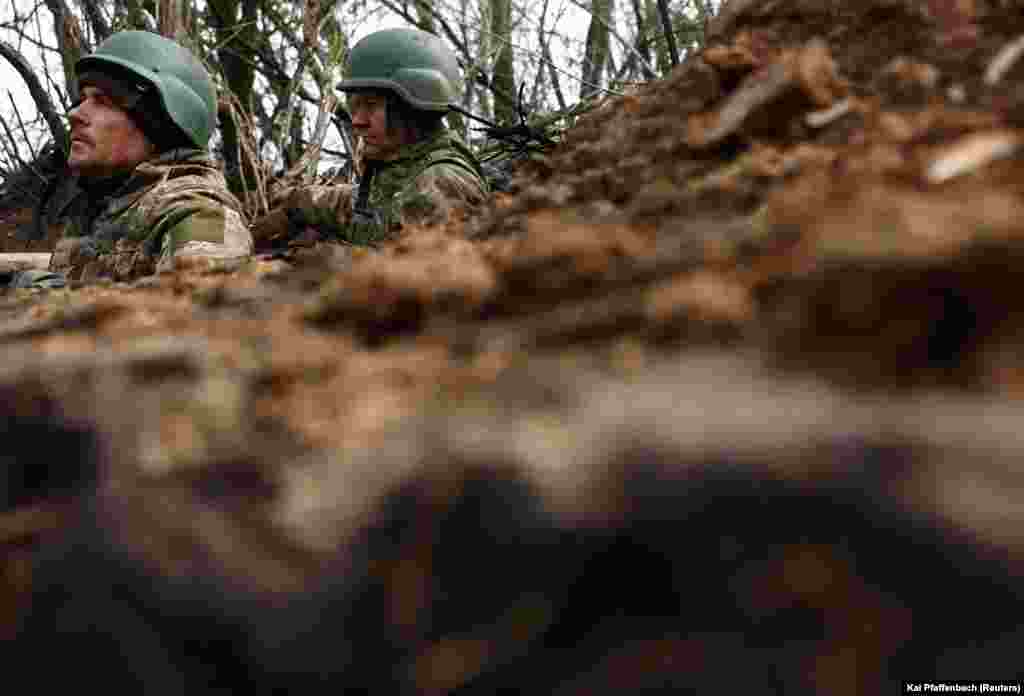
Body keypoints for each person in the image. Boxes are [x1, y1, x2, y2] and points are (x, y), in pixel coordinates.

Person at [17, 30, 252, 288]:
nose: (75, 114)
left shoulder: (196, 212)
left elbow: (207, 296)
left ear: (158, 125)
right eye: (82, 99)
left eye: (102, 101)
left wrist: (44, 295)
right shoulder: (106, 211)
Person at [251, 28, 489, 250]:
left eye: (371, 105)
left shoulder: (443, 182)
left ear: (413, 110)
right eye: (355, 106)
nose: (357, 121)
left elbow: (394, 268)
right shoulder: (401, 171)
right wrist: (295, 204)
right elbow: (355, 205)